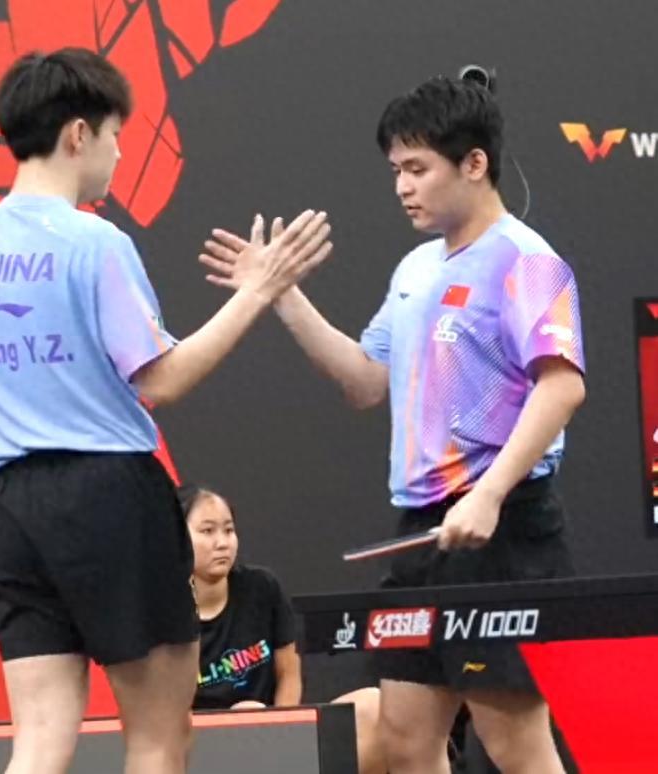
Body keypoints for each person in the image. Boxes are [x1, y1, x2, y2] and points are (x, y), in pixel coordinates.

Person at [0, 47, 331, 774]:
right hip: (109, 496)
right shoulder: (95, 242)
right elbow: (162, 379)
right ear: (78, 134)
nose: (119, 153)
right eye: (116, 134)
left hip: (9, 509)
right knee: (159, 737)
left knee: (39, 742)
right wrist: (259, 290)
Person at [200, 75, 586, 774]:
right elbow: (363, 380)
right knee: (405, 742)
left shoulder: (526, 259)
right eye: (395, 171)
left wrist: (489, 495)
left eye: (417, 168)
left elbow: (561, 386)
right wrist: (280, 294)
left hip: (503, 532)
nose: (403, 187)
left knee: (516, 747)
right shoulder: (414, 269)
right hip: (421, 533)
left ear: (474, 163)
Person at [181, 484, 387, 774]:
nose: (222, 542)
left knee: (374, 705)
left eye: (228, 530)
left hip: (274, 731)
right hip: (205, 748)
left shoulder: (261, 587)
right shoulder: (166, 613)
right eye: (207, 531)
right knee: (247, 716)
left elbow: (288, 672)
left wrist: (281, 731)